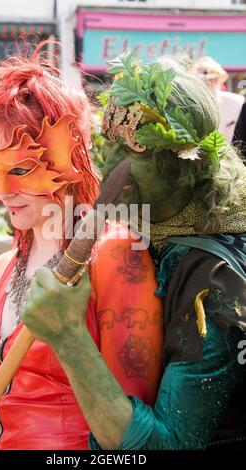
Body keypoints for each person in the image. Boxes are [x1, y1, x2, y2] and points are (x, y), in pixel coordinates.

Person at [21, 51, 246, 450]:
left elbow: (167, 445)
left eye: (136, 149)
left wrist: (69, 337)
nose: (112, 166)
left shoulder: (214, 279)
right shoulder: (149, 221)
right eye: (111, 144)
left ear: (186, 165)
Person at [0, 43, 164, 450]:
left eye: (23, 168)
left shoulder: (116, 255)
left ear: (70, 157)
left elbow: (131, 432)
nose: (5, 191)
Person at [193, 56, 244, 143]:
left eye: (212, 80)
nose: (208, 83)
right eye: (202, 80)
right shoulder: (190, 104)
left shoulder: (237, 102)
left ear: (218, 80)